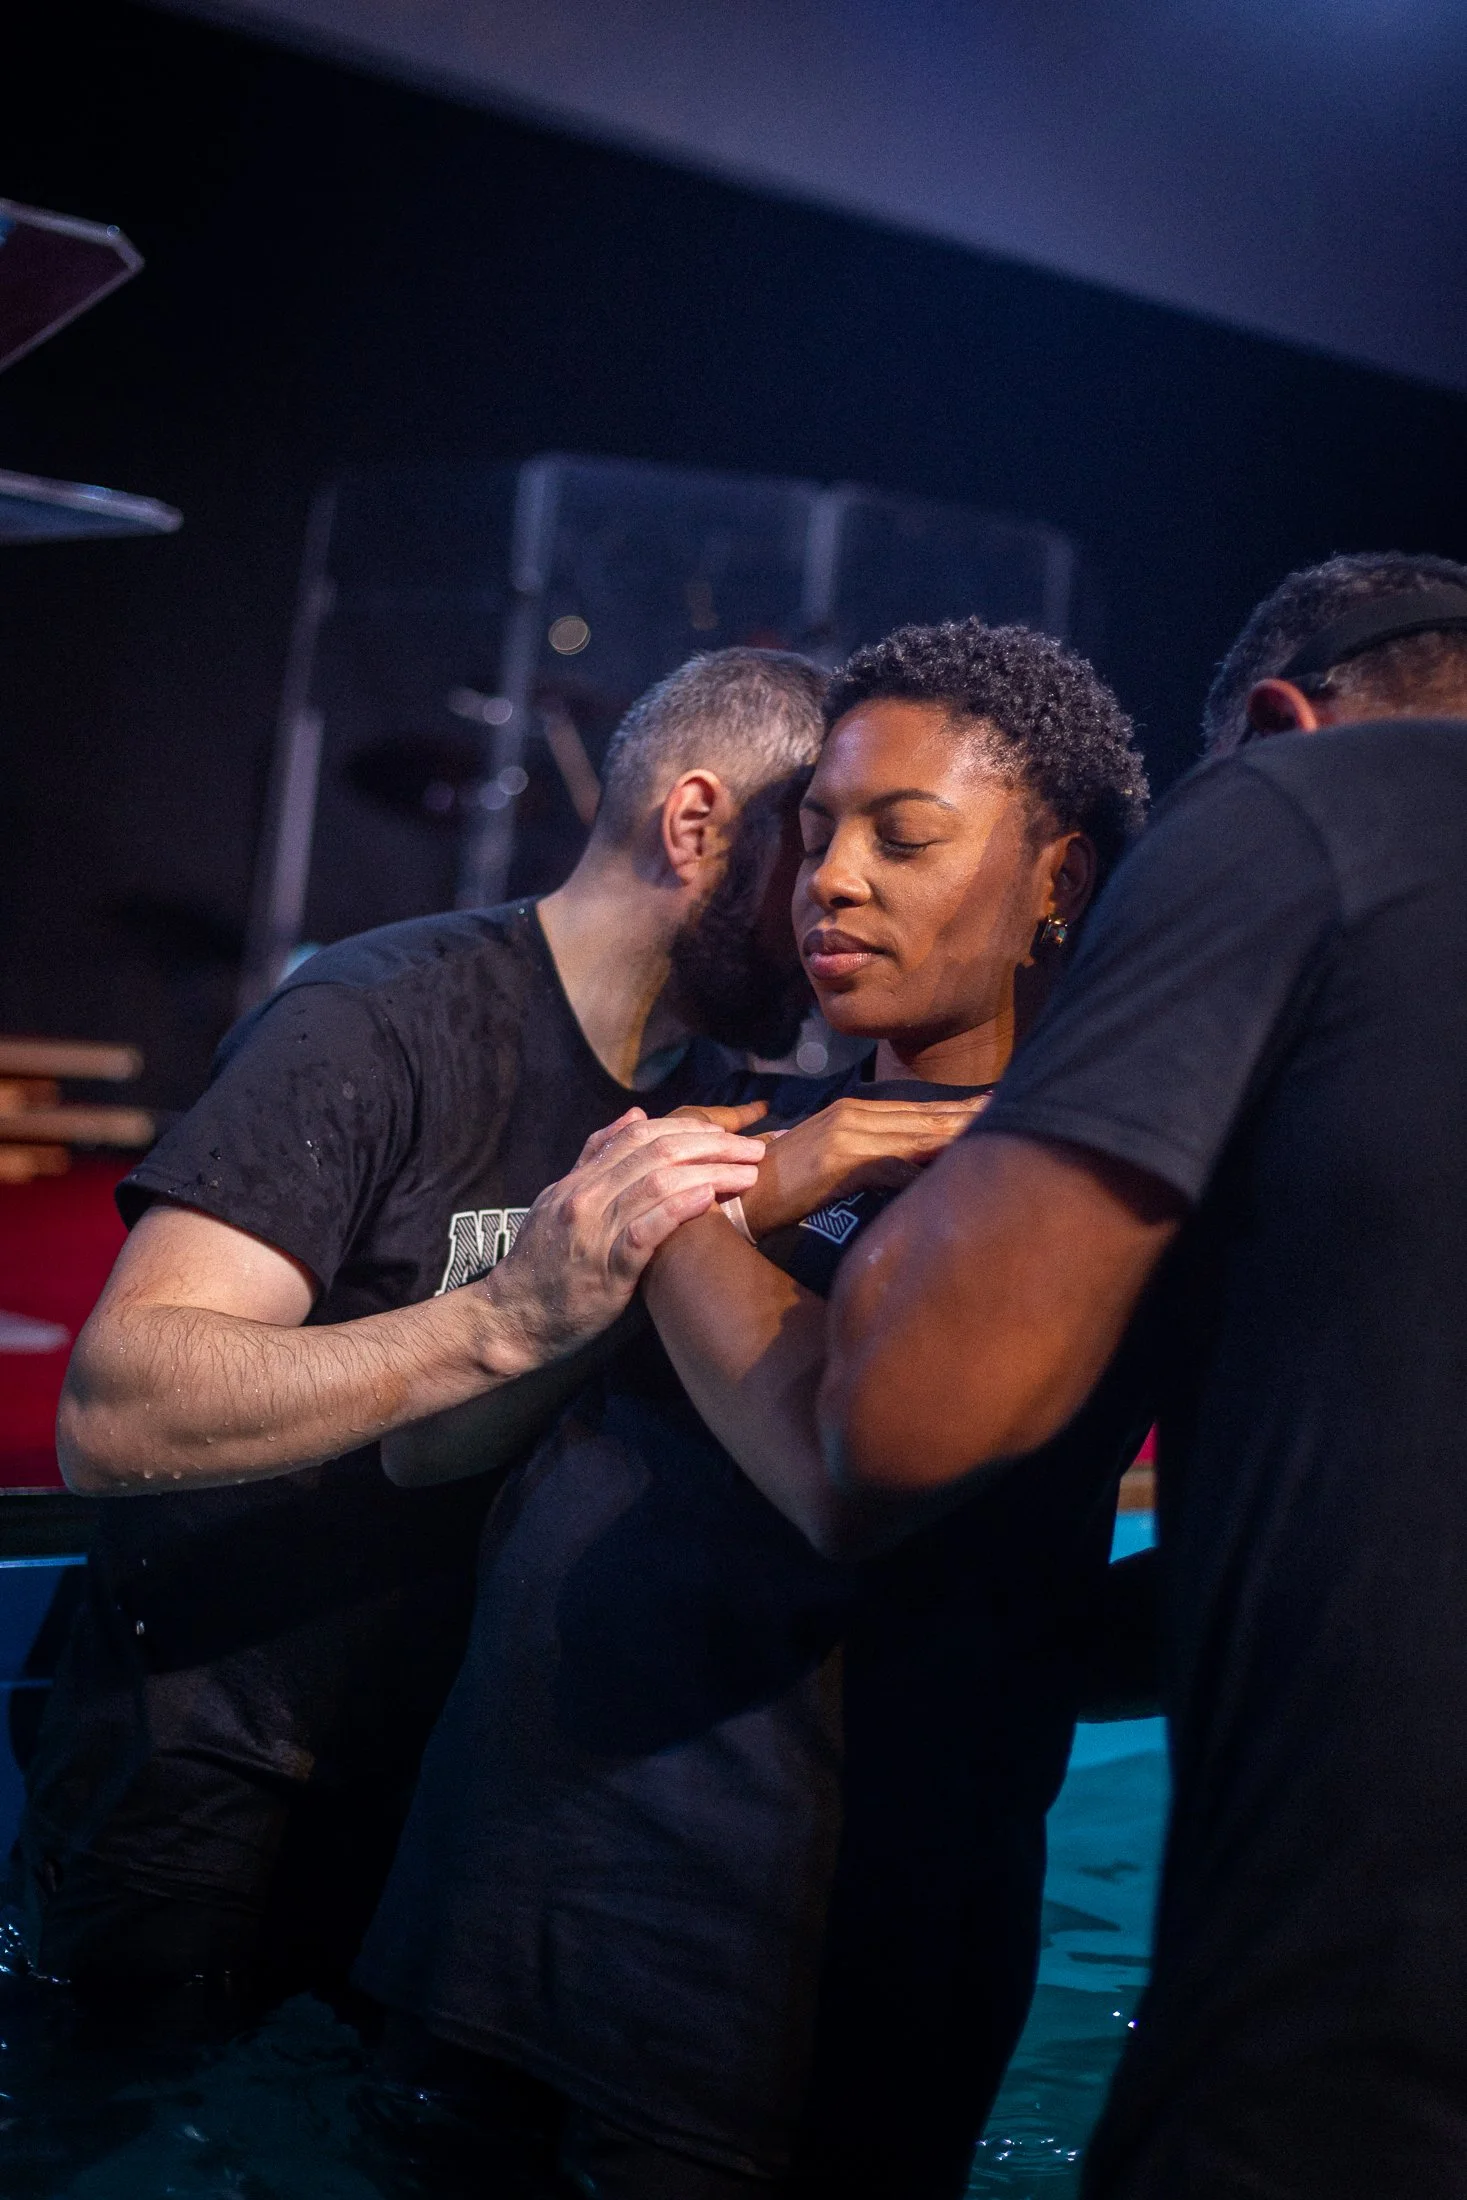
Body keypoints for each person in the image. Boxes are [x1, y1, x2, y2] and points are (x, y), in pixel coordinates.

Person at [355, 617, 1152, 2199]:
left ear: (1056, 878)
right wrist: (731, 1180)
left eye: (900, 836)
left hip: (754, 2012)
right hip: (475, 1938)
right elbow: (425, 1443)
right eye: (818, 830)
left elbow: (835, 1482)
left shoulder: (1074, 1180)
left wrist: (667, 1215)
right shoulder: (733, 1119)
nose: (829, 880)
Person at [20, 649, 837, 2019]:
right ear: (695, 823)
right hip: (204, 1789)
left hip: (444, 1800)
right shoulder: (376, 1017)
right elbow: (118, 1409)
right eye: (809, 844)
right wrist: (510, 1316)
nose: (831, 898)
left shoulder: (712, 1097)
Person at [817, 552, 1467, 2200]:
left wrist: (679, 1219)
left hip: (1357, 2018)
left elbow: (899, 1420)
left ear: (1277, 727)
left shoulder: (1301, 807)